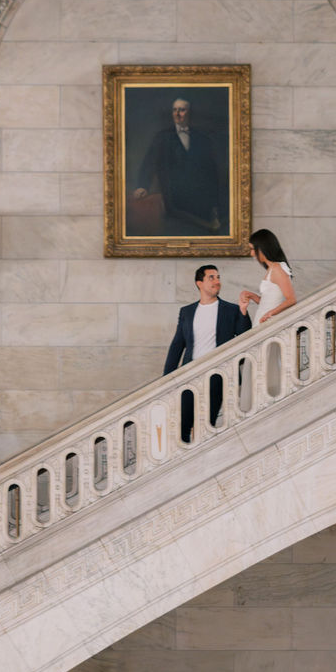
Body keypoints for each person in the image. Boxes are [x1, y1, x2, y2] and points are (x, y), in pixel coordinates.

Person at [163, 263, 250, 440]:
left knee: (207, 426)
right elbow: (177, 345)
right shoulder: (187, 312)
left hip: (217, 375)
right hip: (189, 375)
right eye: (211, 277)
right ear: (199, 283)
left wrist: (243, 311)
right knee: (183, 426)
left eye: (218, 277)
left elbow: (245, 336)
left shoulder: (231, 309)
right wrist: (167, 378)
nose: (217, 281)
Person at [132, 97, 224, 235]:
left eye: (181, 110)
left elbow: (210, 171)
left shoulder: (202, 138)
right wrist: (142, 185)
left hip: (199, 197)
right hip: (174, 198)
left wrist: (215, 204)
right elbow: (149, 162)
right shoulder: (162, 137)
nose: (177, 113)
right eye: (175, 110)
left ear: (189, 113)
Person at [239, 228, 297, 325]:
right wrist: (252, 295)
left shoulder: (277, 269)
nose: (252, 253)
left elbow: (291, 300)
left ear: (262, 248)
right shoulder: (272, 269)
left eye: (253, 249)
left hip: (268, 324)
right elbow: (268, 302)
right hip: (262, 322)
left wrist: (269, 314)